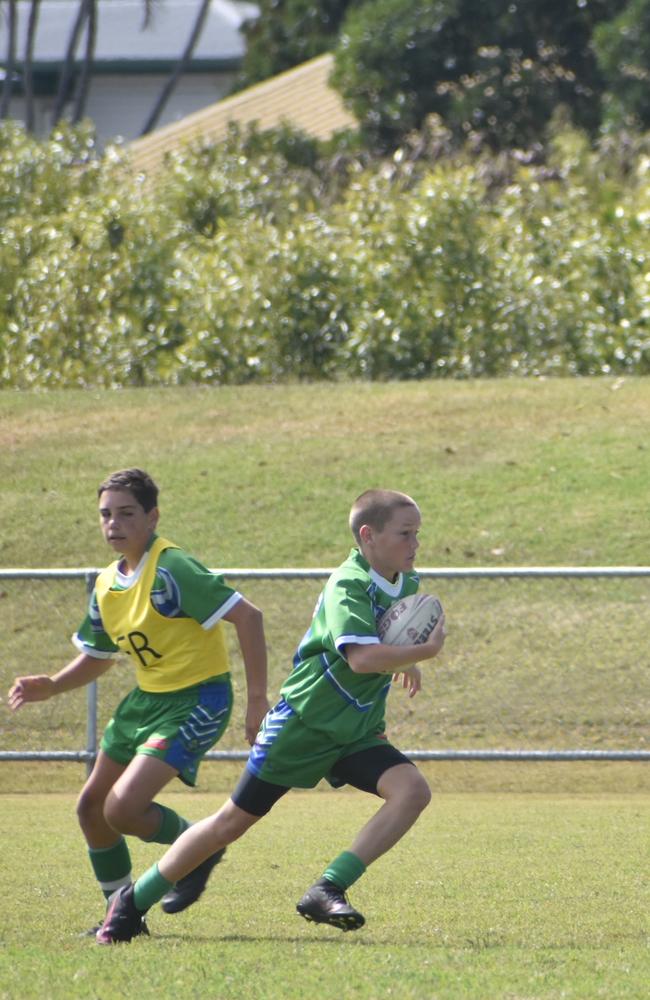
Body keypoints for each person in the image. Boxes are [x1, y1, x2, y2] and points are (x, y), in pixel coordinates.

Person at [96, 487, 446, 944]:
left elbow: (383, 644)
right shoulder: (349, 583)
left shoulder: (407, 584)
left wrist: (406, 660)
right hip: (303, 726)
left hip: (352, 731)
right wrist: (426, 650)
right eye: (405, 534)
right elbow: (360, 659)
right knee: (229, 824)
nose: (415, 543)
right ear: (369, 536)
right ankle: (132, 902)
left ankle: (327, 888)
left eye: (416, 533)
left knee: (411, 790)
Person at [8, 468, 269, 933]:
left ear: (152, 517)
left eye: (126, 513)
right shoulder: (107, 583)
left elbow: (249, 618)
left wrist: (256, 703)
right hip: (145, 702)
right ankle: (120, 914)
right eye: (106, 515)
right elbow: (98, 657)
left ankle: (199, 847)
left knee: (122, 809)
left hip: (197, 699)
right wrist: (52, 684)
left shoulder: (173, 568)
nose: (114, 524)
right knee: (91, 808)